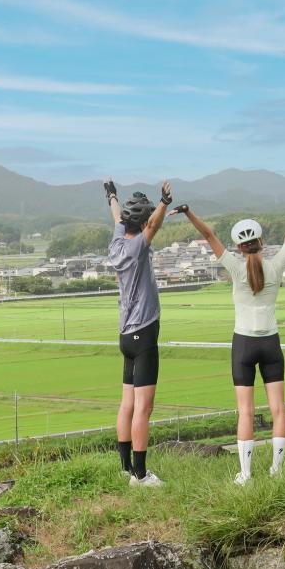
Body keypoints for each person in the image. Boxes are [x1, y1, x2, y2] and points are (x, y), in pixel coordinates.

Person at [176, 189, 285, 483]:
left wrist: (188, 212)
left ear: (240, 248)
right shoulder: (276, 265)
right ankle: (277, 471)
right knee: (278, 409)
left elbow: (209, 235)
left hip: (243, 344)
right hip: (271, 343)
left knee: (246, 412)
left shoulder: (235, 267)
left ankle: (245, 474)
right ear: (262, 242)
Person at [103, 177, 171, 487]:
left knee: (127, 404)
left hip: (124, 336)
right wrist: (164, 203)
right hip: (143, 336)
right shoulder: (137, 246)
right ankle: (141, 476)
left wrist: (111, 195)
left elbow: (117, 216)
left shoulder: (117, 243)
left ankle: (124, 468)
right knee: (144, 407)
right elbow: (154, 227)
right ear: (141, 224)